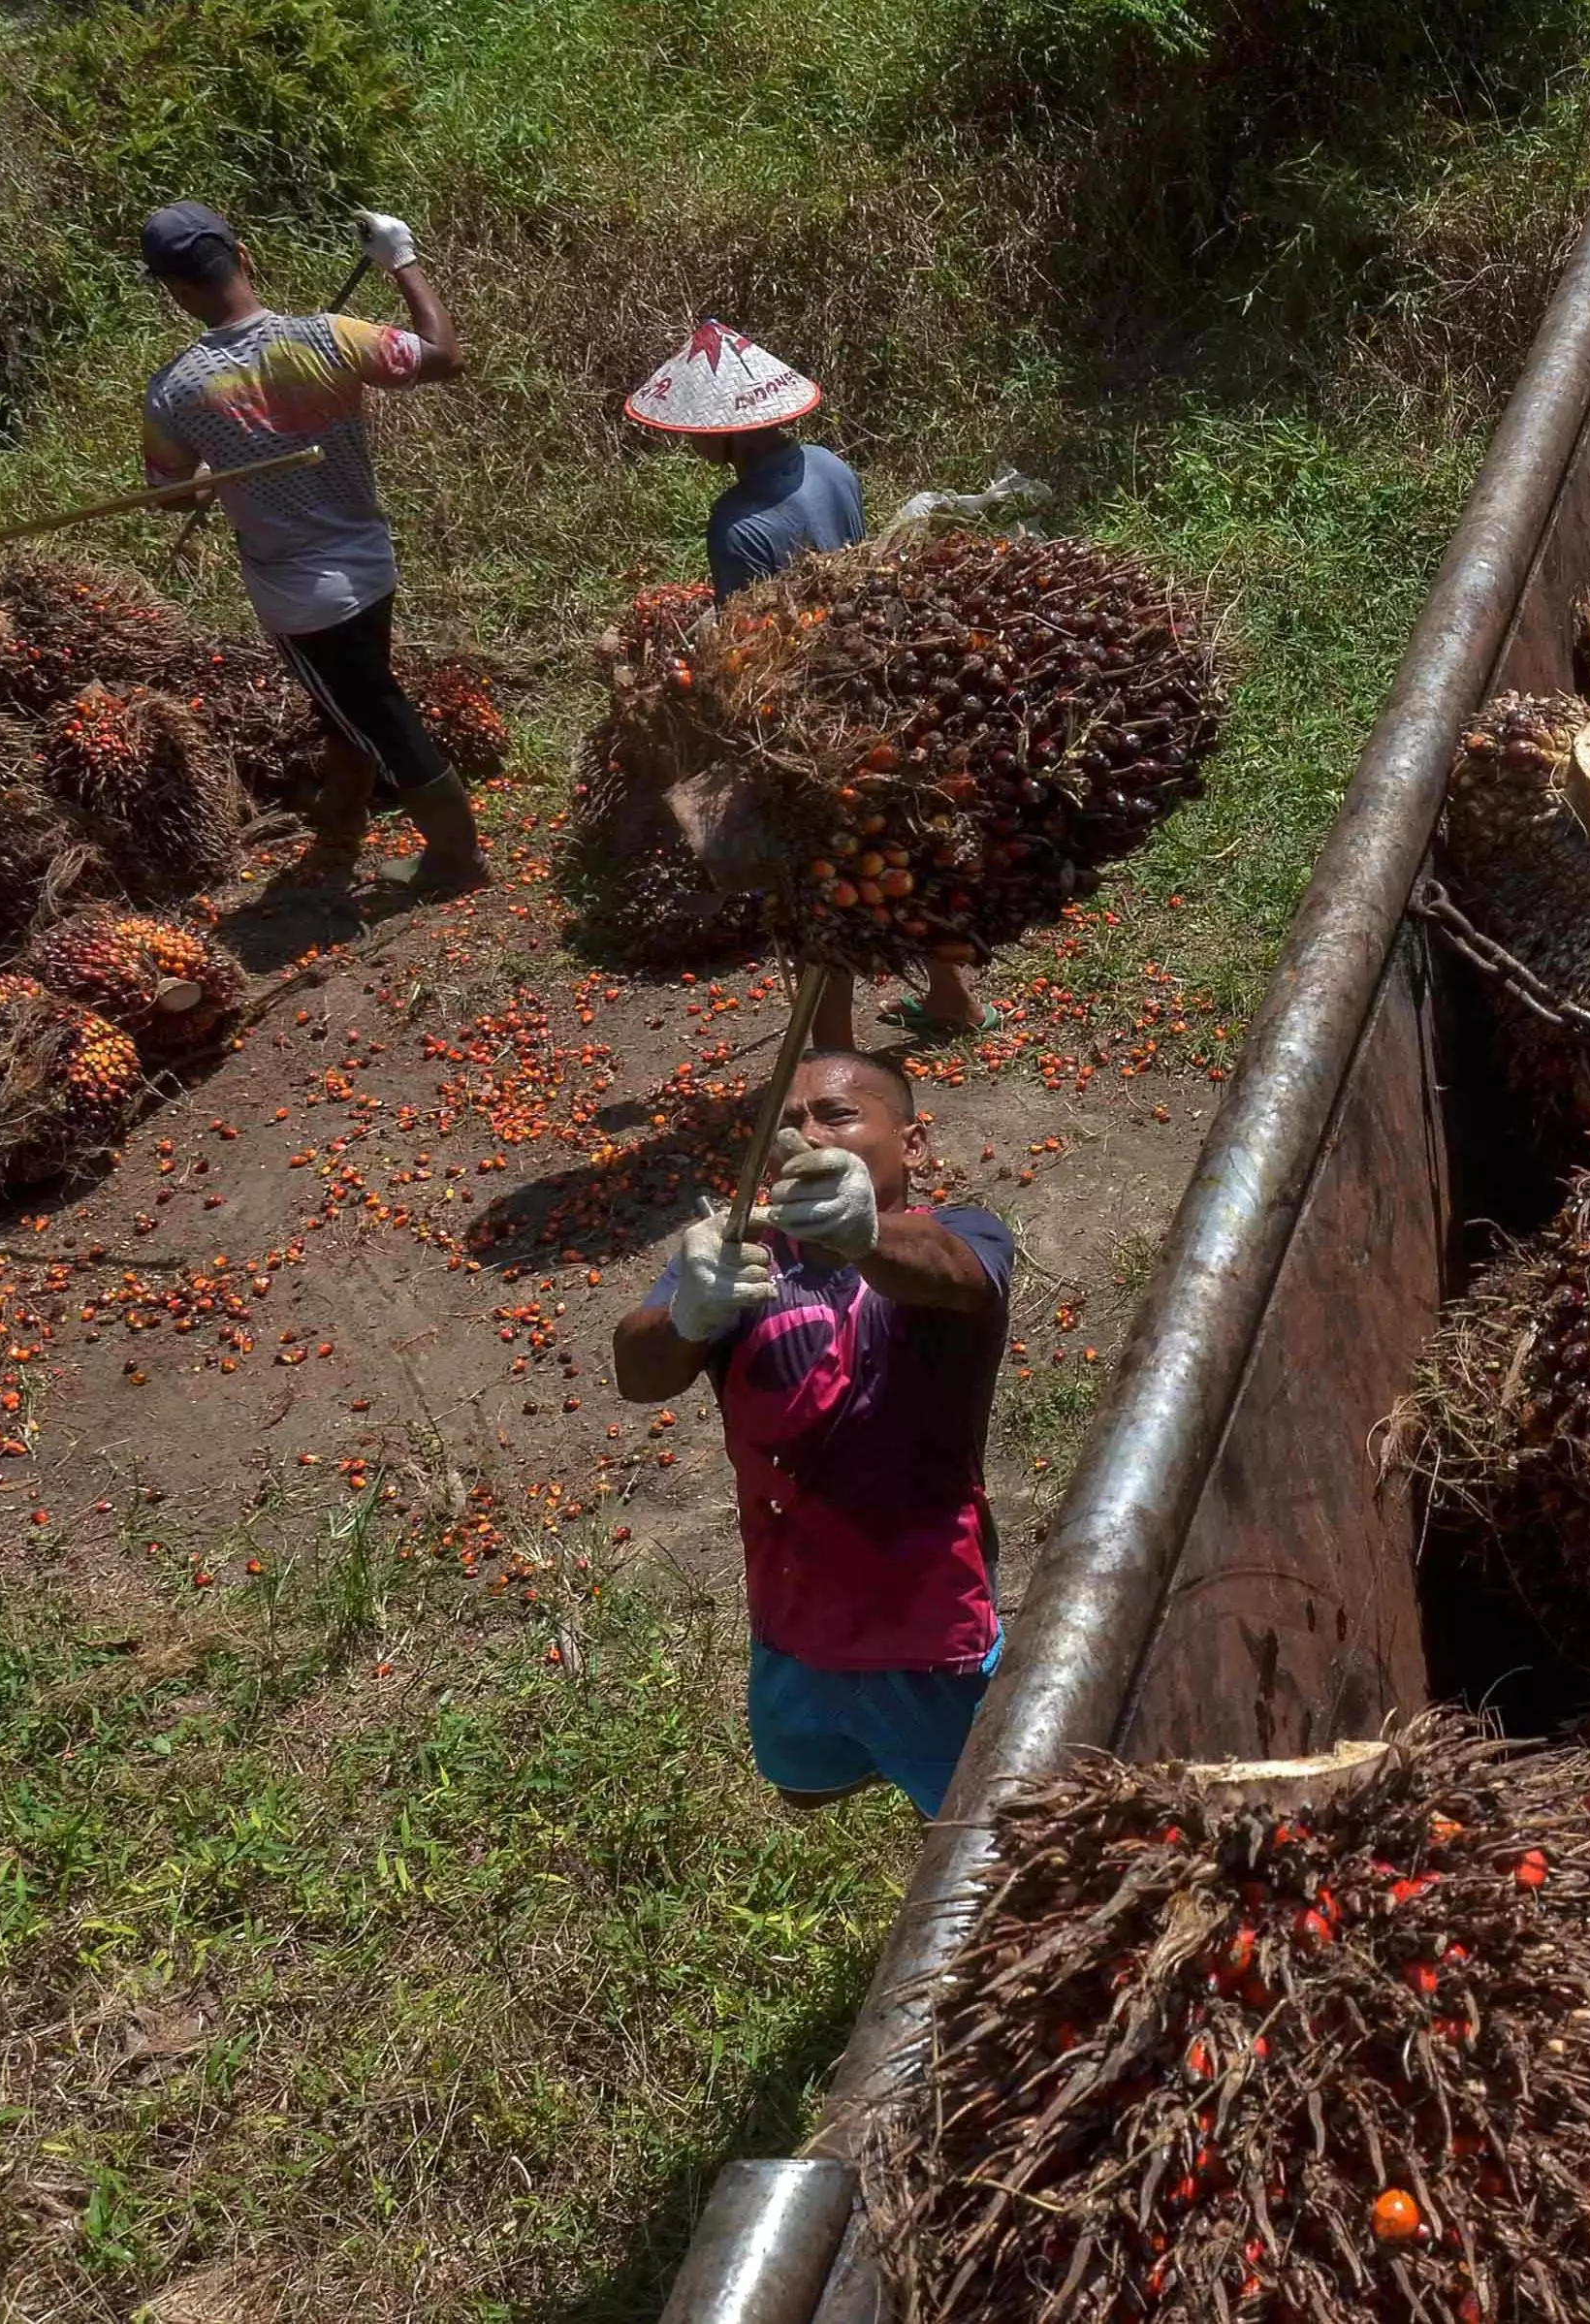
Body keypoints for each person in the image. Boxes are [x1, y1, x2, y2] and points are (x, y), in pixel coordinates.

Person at [613, 1048, 1015, 1814]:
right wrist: (687, 1312)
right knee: (804, 1787)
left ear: (913, 1144)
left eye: (837, 1114)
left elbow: (956, 1273)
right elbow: (638, 1374)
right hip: (790, 1622)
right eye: (787, 1122)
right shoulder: (732, 1255)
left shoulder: (961, 1231)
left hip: (930, 1632)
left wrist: (865, 1235)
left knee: (975, 1824)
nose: (808, 1135)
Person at [624, 321, 978, 1041]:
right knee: (906, 845)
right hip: (878, 673)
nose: (689, 443)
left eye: (695, 433)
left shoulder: (736, 523)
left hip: (813, 713)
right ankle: (953, 999)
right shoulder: (828, 463)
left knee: (816, 885)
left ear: (725, 434)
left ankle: (832, 1055)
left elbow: (750, 645)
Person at [139, 202, 488, 896]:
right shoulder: (329, 337)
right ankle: (341, 817)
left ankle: (456, 858)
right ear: (243, 257)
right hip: (371, 563)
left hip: (300, 597)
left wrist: (206, 474)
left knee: (379, 716)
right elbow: (444, 355)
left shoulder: (176, 392)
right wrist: (402, 260)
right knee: (350, 701)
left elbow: (170, 494)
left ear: (175, 291)